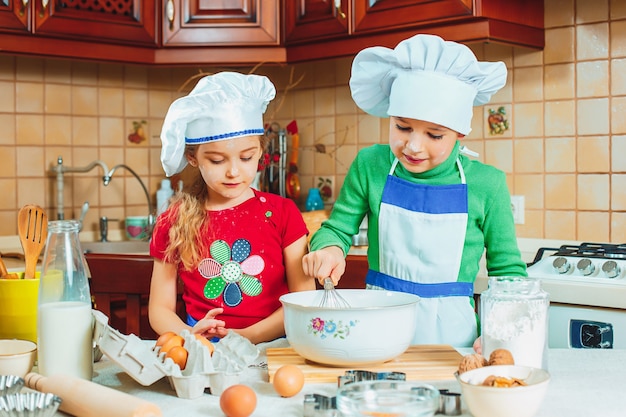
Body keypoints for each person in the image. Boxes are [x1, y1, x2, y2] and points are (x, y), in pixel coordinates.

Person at [302, 34, 527, 348]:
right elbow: (336, 229)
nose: (413, 146)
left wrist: (498, 329)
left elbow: (508, 272)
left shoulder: (487, 184)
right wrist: (329, 249)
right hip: (380, 325)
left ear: (460, 132)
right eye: (402, 127)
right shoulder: (371, 165)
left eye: (434, 134)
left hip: (454, 337)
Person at [149, 72, 315, 345]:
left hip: (274, 345)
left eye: (246, 157)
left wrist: (245, 337)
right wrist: (190, 337)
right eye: (216, 160)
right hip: (204, 348)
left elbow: (302, 300)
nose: (234, 171)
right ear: (193, 157)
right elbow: (159, 308)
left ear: (260, 151)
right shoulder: (175, 220)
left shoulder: (283, 213)